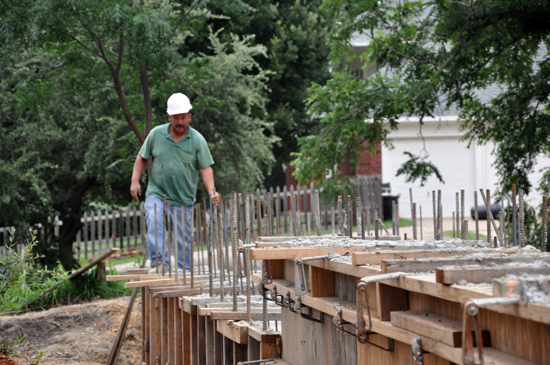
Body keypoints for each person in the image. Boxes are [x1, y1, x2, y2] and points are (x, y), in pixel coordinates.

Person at [130, 93, 219, 270]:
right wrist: (135, 181)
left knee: (182, 237)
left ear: (189, 117)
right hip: (157, 191)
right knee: (154, 220)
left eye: (183, 117)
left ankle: (183, 271)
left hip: (183, 196)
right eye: (176, 117)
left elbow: (206, 168)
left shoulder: (197, 140)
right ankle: (159, 262)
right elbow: (142, 157)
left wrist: (212, 191)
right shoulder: (156, 134)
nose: (180, 122)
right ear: (169, 117)